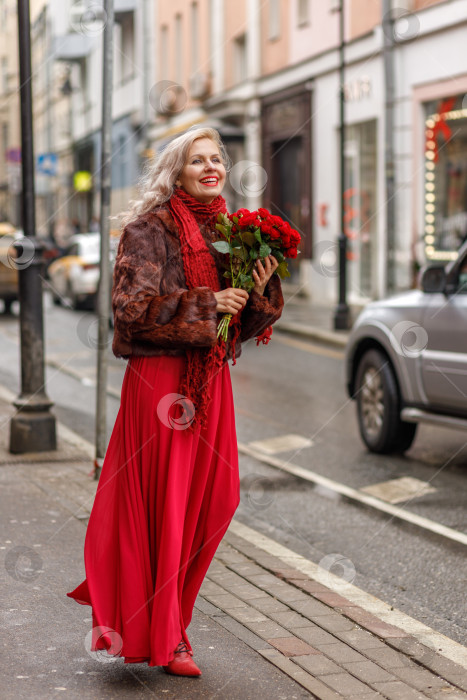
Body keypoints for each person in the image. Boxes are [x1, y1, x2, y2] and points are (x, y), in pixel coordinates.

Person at [67, 127, 284, 677]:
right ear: (175, 171)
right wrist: (208, 303)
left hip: (210, 382)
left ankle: (170, 622)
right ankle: (171, 637)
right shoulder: (149, 229)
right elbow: (133, 312)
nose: (212, 167)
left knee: (216, 500)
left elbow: (235, 329)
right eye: (198, 160)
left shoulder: (233, 234)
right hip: (161, 386)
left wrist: (258, 293)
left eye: (217, 158)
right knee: (167, 507)